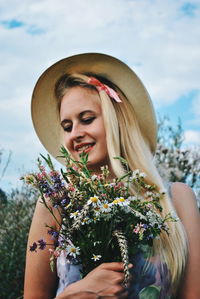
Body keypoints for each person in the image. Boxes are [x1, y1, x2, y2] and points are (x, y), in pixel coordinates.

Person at [24, 53, 200, 299]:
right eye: (67, 126)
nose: (75, 133)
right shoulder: (56, 204)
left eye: (86, 119)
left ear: (116, 121)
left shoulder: (177, 198)